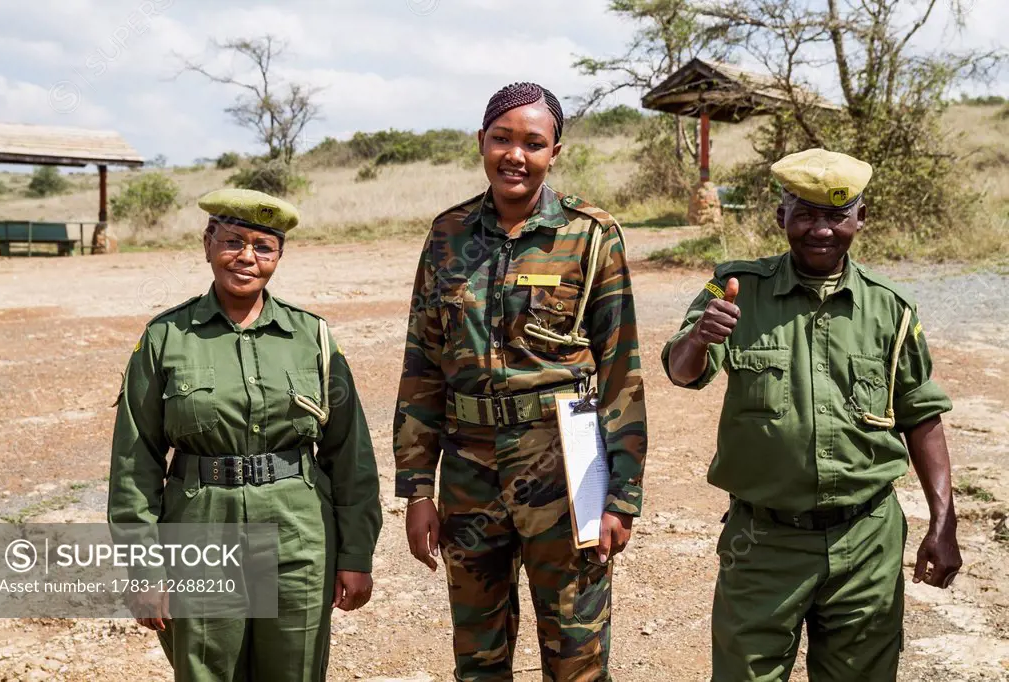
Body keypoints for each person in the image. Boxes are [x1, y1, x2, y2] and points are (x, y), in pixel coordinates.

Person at [663, 148, 963, 681]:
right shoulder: (734, 288)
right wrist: (700, 334)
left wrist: (944, 520)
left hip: (866, 541)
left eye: (836, 215)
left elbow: (921, 414)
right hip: (762, 542)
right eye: (804, 213)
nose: (820, 230)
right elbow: (683, 372)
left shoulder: (891, 308)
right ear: (781, 218)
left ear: (860, 219)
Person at [393, 82, 647, 681]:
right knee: (478, 654)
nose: (516, 155)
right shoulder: (447, 234)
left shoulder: (590, 233)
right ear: (481, 142)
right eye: (502, 139)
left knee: (576, 652)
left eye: (533, 143)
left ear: (554, 151)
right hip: (468, 471)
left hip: (565, 465)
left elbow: (620, 371)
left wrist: (622, 496)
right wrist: (417, 490)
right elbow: (422, 367)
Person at [108, 188, 382, 681]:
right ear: (208, 242)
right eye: (233, 241)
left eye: (263, 247)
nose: (247, 258)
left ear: (279, 256)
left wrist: (356, 554)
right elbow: (136, 462)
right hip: (201, 528)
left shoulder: (311, 338)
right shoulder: (165, 338)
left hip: (298, 533)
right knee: (208, 671)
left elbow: (350, 456)